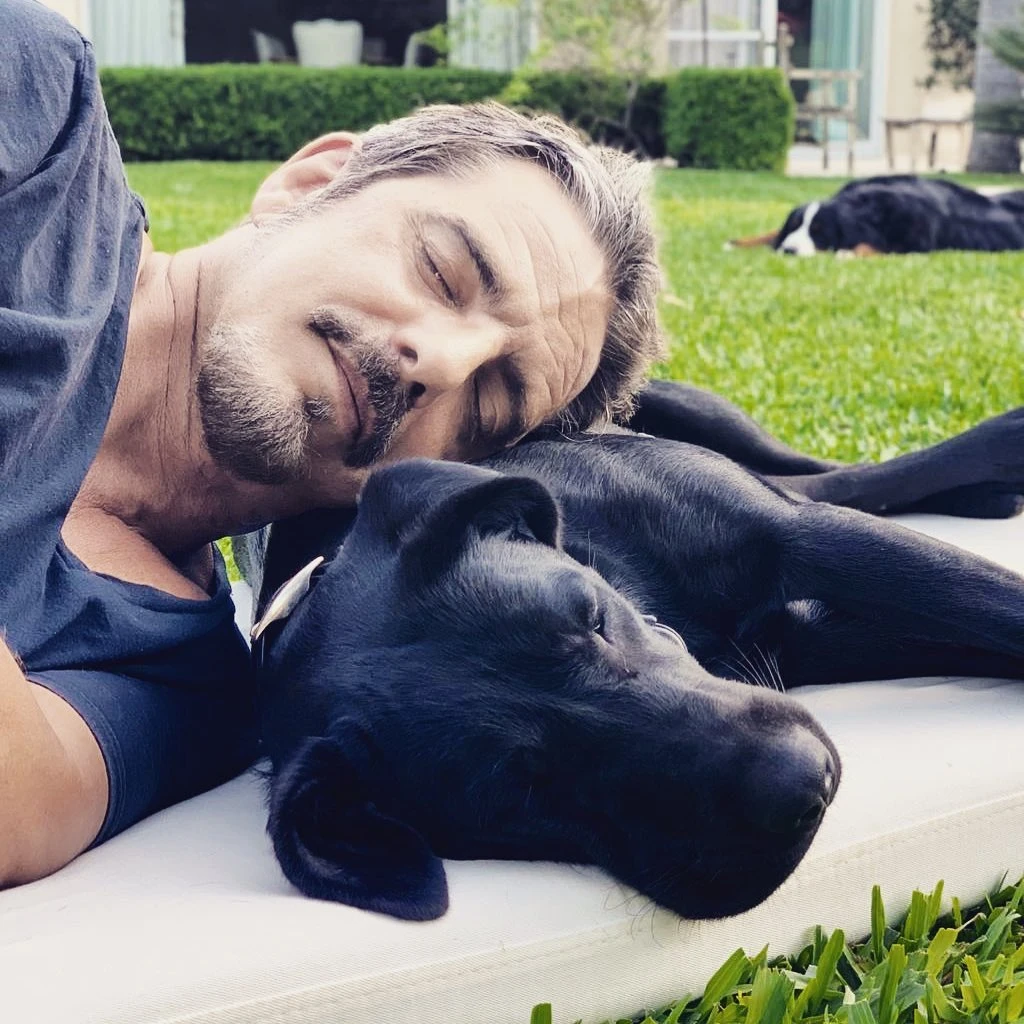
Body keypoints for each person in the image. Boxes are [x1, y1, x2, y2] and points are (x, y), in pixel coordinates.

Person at [0, 0, 663, 886]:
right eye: (442, 271)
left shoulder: (180, 682)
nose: (443, 363)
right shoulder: (40, 114)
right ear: (311, 184)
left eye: (486, 405)